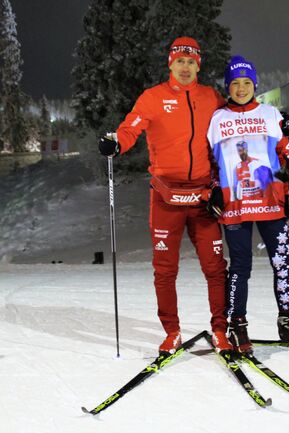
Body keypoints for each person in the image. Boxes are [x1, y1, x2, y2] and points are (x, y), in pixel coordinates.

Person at [98, 37, 232, 354]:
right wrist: (117, 142)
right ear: (170, 63)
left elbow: (235, 123)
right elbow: (131, 128)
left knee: (215, 268)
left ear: (198, 65)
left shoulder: (211, 97)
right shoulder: (153, 98)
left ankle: (219, 330)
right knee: (165, 270)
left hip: (202, 197)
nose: (185, 67)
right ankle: (172, 332)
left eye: (191, 61)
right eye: (180, 61)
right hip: (165, 197)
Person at [206, 55, 289, 353]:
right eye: (235, 83)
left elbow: (285, 155)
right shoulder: (217, 119)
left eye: (246, 82)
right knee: (240, 267)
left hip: (271, 199)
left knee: (283, 262)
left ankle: (288, 322)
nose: (241, 88)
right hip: (234, 204)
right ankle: (237, 326)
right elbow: (210, 161)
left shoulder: (271, 114)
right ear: (227, 86)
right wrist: (214, 189)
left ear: (254, 84)